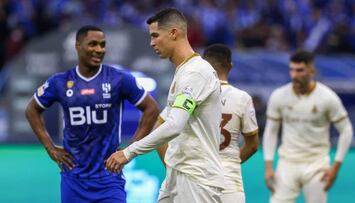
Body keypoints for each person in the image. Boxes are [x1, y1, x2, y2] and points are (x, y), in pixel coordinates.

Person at [25, 25, 159, 203]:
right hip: (74, 180)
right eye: (93, 44)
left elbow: (152, 109)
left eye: (102, 45)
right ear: (78, 46)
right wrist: (50, 147)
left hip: (109, 180)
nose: (99, 50)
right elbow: (32, 109)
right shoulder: (60, 82)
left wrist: (129, 150)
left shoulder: (119, 79)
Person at [105, 8, 225, 202]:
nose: (152, 43)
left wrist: (129, 152)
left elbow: (174, 125)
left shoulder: (195, 73)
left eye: (155, 36)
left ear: (174, 33)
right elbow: (163, 121)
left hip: (197, 179)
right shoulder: (183, 72)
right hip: (178, 174)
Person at [263, 50, 353, 203]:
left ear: (312, 71)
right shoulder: (279, 96)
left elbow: (346, 130)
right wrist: (268, 166)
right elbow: (271, 131)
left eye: (300, 70)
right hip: (287, 164)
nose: (294, 75)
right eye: (292, 69)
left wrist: (335, 168)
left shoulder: (327, 97)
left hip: (317, 165)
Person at [203, 44, 259, 203]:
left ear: (203, 65)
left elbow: (162, 126)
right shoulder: (242, 98)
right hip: (229, 179)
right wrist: (231, 161)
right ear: (230, 66)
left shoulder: (191, 93)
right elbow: (253, 145)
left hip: (198, 175)